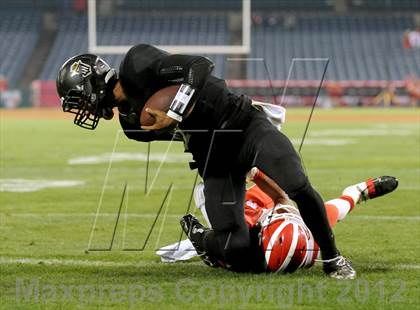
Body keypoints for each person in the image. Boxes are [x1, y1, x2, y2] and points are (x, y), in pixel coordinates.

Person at [57, 44, 352, 278]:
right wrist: (175, 123)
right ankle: (202, 238)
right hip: (213, 153)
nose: (82, 108)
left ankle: (333, 259)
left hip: (241, 123)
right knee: (234, 248)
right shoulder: (132, 125)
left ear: (91, 82)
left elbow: (199, 65)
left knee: (297, 184)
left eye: (78, 98)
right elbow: (187, 134)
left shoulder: (136, 63)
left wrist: (175, 109)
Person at [160, 168, 398, 279]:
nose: (288, 209)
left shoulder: (242, 238)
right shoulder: (311, 243)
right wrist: (255, 172)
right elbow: (283, 198)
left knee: (212, 193)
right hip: (278, 215)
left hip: (244, 211)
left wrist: (198, 235)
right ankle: (362, 189)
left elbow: (281, 201)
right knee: (343, 204)